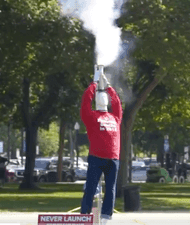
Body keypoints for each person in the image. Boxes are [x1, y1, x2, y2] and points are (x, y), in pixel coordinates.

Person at [80, 67, 122, 225]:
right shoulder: (92, 116)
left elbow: (117, 102)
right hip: (98, 157)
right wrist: (95, 82)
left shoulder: (114, 116)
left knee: (110, 189)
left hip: (111, 158)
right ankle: (85, 216)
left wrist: (106, 84)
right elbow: (86, 102)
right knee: (90, 188)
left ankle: (105, 217)